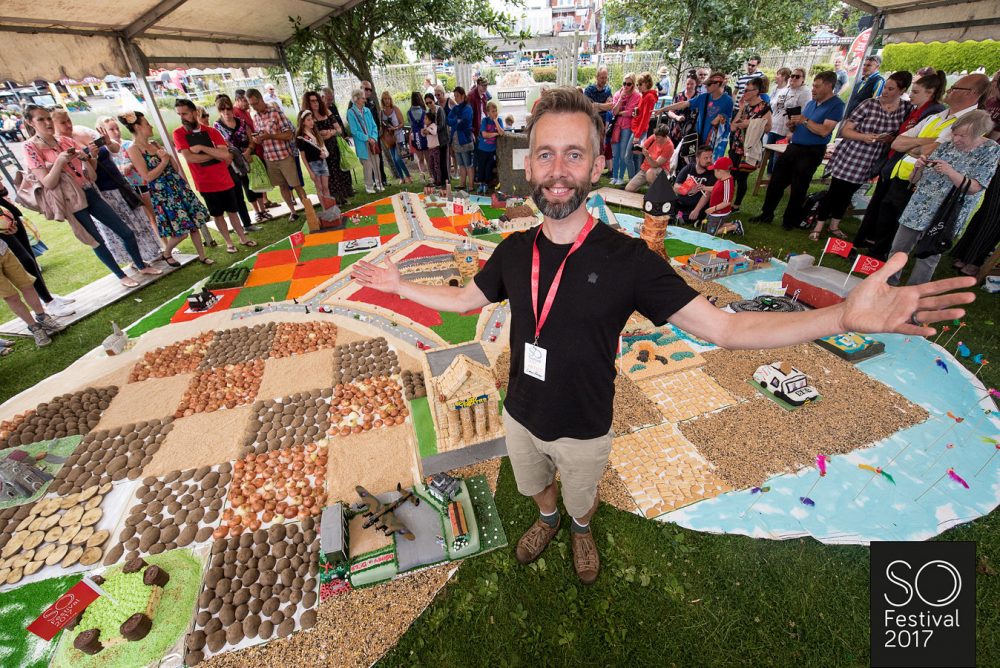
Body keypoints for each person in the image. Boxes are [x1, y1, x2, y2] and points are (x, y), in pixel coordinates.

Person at [350, 86, 977, 585]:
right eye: (545, 154)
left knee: (581, 494)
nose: (558, 170)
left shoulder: (630, 260)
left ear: (598, 164)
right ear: (529, 164)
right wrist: (400, 285)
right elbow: (466, 299)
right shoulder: (514, 250)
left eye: (574, 154)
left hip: (585, 422)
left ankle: (578, 527)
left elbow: (726, 327)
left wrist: (838, 318)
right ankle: (547, 517)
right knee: (534, 484)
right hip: (520, 411)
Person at [23, 105, 163, 288]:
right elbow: (48, 182)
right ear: (30, 122)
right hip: (71, 200)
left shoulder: (65, 140)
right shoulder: (30, 147)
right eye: (41, 119)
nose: (47, 122)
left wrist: (90, 158)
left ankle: (141, 265)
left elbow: (92, 175)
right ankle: (121, 276)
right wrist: (59, 162)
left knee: (126, 232)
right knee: (96, 240)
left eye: (48, 118)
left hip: (89, 190)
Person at [855, 73, 986, 259]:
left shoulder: (971, 122)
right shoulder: (937, 116)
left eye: (955, 88)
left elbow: (933, 150)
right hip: (902, 175)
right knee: (886, 220)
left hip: (925, 184)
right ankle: (875, 257)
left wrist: (917, 145)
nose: (948, 90)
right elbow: (897, 143)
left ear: (971, 93)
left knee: (904, 231)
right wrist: (925, 142)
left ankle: (889, 262)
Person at [887, 111, 999, 285]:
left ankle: (915, 292)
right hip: (919, 206)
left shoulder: (991, 150)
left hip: (947, 213)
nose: (956, 139)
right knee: (898, 248)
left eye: (962, 136)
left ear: (978, 134)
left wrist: (950, 172)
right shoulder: (946, 146)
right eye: (954, 133)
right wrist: (918, 167)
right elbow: (914, 180)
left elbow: (975, 188)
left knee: (928, 256)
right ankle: (888, 284)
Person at [808, 71, 914, 241]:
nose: (885, 91)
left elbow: (902, 134)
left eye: (891, 89)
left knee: (848, 194)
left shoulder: (905, 109)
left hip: (872, 159)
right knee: (835, 192)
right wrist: (864, 137)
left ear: (902, 91)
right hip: (851, 155)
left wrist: (889, 139)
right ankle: (818, 226)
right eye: (885, 87)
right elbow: (845, 130)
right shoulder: (869, 104)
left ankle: (834, 225)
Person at [53, 111, 164, 268]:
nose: (68, 125)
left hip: (118, 182)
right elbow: (85, 174)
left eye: (68, 120)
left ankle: (152, 252)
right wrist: (91, 157)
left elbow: (115, 148)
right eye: (63, 122)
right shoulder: (61, 145)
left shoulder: (83, 131)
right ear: (54, 125)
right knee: (122, 226)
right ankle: (136, 260)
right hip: (100, 190)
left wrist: (107, 142)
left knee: (138, 219)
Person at [751, 71, 845, 229]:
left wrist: (804, 120)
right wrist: (793, 125)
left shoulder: (836, 105)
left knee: (799, 186)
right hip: (794, 146)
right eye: (813, 86)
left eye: (817, 86)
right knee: (776, 181)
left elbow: (824, 131)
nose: (813, 89)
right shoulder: (811, 103)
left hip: (812, 151)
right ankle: (766, 213)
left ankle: (789, 221)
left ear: (829, 86)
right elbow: (803, 125)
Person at [120, 110, 215, 266]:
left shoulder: (154, 144)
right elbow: (147, 176)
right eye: (146, 124)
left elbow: (175, 168)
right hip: (163, 193)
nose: (151, 126)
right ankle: (167, 253)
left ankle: (202, 256)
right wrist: (163, 161)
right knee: (181, 232)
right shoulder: (133, 149)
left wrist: (168, 156)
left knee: (194, 224)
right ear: (137, 127)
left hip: (178, 186)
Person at [174, 99, 255, 254]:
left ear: (194, 112)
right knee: (218, 215)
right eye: (179, 114)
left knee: (233, 211)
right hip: (205, 183)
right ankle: (229, 243)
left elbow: (225, 154)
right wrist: (215, 154)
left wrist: (201, 148)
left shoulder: (212, 131)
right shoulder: (179, 133)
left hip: (224, 179)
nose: (182, 117)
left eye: (185, 113)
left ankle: (243, 238)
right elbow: (190, 158)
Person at [951, 71, 1000, 276]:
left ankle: (973, 258)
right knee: (987, 211)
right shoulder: (991, 103)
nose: (992, 84)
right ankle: (964, 254)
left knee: (994, 215)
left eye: (996, 81)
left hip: (992, 156)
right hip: (990, 160)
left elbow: (993, 137)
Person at [0, 184, 75, 318]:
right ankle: (49, 302)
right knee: (26, 261)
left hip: (8, 217)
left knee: (31, 258)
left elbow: (3, 191)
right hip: (3, 227)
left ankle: (46, 296)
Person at [247, 88, 308, 222]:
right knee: (282, 186)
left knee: (296, 184)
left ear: (261, 99)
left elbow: (289, 134)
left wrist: (270, 136)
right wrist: (257, 139)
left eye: (255, 103)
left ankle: (309, 211)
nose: (254, 107)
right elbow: (260, 137)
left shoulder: (275, 112)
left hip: (284, 155)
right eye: (251, 105)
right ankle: (293, 212)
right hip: (270, 158)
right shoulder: (255, 117)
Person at [97, 115, 158, 233]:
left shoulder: (129, 144)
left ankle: (163, 241)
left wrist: (131, 164)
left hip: (141, 183)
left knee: (152, 215)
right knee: (141, 218)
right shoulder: (104, 151)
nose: (116, 132)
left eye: (117, 128)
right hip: (126, 188)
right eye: (111, 129)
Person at [215, 94, 270, 224]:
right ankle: (257, 212)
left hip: (249, 155)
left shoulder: (242, 122)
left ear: (232, 108)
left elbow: (251, 140)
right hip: (235, 161)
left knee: (257, 182)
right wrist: (237, 156)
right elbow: (221, 145)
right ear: (219, 111)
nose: (226, 112)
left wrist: (249, 151)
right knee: (246, 186)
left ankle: (263, 210)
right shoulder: (217, 126)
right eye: (222, 109)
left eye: (228, 108)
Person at [660, 72, 734, 161]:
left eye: (709, 84)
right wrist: (664, 109)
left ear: (717, 84)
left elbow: (728, 123)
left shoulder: (728, 101)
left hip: (714, 142)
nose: (705, 87)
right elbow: (685, 104)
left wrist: (721, 118)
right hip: (699, 139)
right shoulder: (703, 97)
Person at [0, 237, 59, 347]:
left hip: (3, 250)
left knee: (27, 285)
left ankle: (42, 317)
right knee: (11, 297)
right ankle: (34, 327)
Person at [727, 78, 772, 211]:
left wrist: (750, 124)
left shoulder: (764, 107)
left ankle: (736, 205)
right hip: (736, 145)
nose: (744, 93)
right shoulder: (745, 106)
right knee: (732, 176)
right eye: (743, 90)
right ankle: (727, 203)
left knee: (742, 177)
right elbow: (733, 127)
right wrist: (741, 110)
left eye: (747, 90)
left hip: (748, 148)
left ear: (756, 91)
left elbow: (768, 128)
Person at [315, 88, 354, 206]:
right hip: (322, 150)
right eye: (328, 99)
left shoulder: (328, 111)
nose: (330, 102)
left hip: (334, 147)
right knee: (328, 175)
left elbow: (339, 128)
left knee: (338, 172)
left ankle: (342, 197)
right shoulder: (311, 115)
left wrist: (330, 132)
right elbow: (314, 133)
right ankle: (332, 200)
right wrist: (322, 134)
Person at [607, 73, 641, 185]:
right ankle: (615, 176)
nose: (626, 86)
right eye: (624, 83)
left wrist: (619, 113)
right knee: (615, 153)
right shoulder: (618, 94)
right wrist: (620, 99)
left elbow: (631, 112)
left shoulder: (636, 96)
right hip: (616, 126)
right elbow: (614, 111)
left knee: (623, 154)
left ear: (633, 84)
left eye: (629, 84)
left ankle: (621, 178)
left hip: (627, 127)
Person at [347, 88, 383, 193]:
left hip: (372, 141)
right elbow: (354, 130)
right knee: (367, 165)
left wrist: (373, 138)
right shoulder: (351, 113)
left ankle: (379, 184)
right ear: (356, 99)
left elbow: (374, 126)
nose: (365, 100)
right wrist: (367, 138)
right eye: (362, 98)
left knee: (376, 162)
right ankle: (369, 186)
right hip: (362, 143)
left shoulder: (367, 110)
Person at [624, 123, 674, 193]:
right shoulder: (654, 137)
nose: (656, 138)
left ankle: (657, 193)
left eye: (658, 137)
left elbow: (656, 165)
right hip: (645, 168)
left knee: (650, 173)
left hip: (661, 170)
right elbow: (642, 148)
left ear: (665, 136)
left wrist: (647, 156)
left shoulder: (669, 146)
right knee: (629, 189)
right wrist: (637, 149)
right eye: (655, 136)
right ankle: (649, 185)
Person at [673, 146, 717, 223]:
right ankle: (678, 216)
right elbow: (676, 187)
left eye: (710, 157)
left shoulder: (712, 172)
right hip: (681, 202)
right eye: (706, 158)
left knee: (698, 213)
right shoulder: (689, 168)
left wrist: (696, 210)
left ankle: (679, 217)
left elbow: (707, 194)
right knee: (667, 203)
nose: (709, 160)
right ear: (697, 159)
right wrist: (689, 190)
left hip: (696, 205)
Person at [296, 110, 332, 202]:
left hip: (323, 163)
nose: (311, 122)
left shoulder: (315, 132)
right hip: (313, 165)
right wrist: (310, 172)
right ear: (302, 122)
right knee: (319, 188)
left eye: (312, 119)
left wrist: (325, 154)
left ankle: (330, 208)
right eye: (308, 120)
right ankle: (325, 208)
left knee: (326, 187)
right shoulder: (301, 137)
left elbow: (323, 147)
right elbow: (303, 157)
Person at [630, 72, 660, 175]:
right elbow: (641, 114)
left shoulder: (649, 97)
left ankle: (636, 178)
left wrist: (637, 135)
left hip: (640, 131)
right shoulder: (644, 95)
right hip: (637, 129)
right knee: (635, 155)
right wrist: (636, 112)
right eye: (637, 84)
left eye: (640, 84)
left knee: (633, 155)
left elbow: (645, 118)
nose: (638, 86)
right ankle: (635, 177)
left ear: (647, 84)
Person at [583, 67, 614, 164]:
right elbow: (588, 107)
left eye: (605, 78)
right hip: (591, 122)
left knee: (600, 147)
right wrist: (603, 106)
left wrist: (596, 105)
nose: (604, 80)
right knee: (590, 145)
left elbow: (610, 106)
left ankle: (597, 166)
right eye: (602, 78)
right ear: (597, 77)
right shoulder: (589, 90)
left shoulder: (608, 90)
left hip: (603, 123)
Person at [380, 91, 412, 185]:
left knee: (398, 158)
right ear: (382, 100)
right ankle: (402, 178)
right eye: (385, 99)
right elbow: (381, 126)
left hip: (398, 137)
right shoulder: (381, 112)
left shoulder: (395, 109)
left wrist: (395, 128)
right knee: (394, 160)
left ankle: (408, 176)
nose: (387, 101)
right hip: (389, 139)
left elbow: (402, 123)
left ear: (390, 99)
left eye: (388, 99)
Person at [448, 86, 475, 192]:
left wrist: (455, 122)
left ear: (463, 96)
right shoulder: (455, 108)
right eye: (454, 96)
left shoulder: (468, 108)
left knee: (468, 164)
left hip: (465, 140)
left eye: (457, 96)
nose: (456, 98)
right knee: (461, 164)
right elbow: (448, 120)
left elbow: (464, 123)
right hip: (456, 141)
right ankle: (462, 183)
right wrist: (456, 121)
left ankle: (471, 185)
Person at [362, 81, 390, 184]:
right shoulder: (355, 103)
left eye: (370, 90)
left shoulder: (371, 102)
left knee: (378, 156)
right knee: (368, 159)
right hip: (364, 136)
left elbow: (376, 118)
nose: (368, 92)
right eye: (366, 89)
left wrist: (377, 131)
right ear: (361, 88)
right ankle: (374, 180)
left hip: (374, 134)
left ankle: (382, 179)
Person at [475, 101, 505, 193]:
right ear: (488, 112)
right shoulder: (485, 121)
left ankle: (486, 184)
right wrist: (495, 133)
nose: (495, 113)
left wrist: (495, 121)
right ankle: (481, 184)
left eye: (495, 111)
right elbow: (484, 134)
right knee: (481, 167)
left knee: (489, 168)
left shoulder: (499, 120)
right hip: (482, 149)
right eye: (492, 111)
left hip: (492, 150)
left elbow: (502, 133)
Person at [664, 74, 698, 150]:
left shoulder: (699, 97)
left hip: (692, 131)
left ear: (696, 84)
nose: (689, 86)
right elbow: (670, 112)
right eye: (687, 84)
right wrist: (676, 117)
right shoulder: (679, 96)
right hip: (677, 130)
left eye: (692, 84)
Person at [425, 92, 448, 187]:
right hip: (434, 142)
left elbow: (442, 125)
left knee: (442, 163)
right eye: (427, 103)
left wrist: (430, 131)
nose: (429, 104)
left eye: (430, 102)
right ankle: (438, 181)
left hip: (442, 141)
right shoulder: (429, 112)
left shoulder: (439, 109)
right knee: (435, 164)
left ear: (434, 100)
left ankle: (445, 182)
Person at [435, 84, 457, 180]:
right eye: (435, 95)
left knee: (453, 151)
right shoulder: (436, 104)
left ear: (443, 93)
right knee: (447, 152)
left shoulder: (449, 100)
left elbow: (458, 109)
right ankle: (448, 172)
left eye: (438, 95)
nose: (437, 97)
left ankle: (456, 171)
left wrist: (454, 120)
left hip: (451, 128)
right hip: (442, 131)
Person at [407, 92, 430, 181]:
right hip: (424, 134)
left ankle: (422, 175)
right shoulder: (424, 111)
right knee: (427, 158)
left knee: (420, 158)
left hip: (415, 136)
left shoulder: (409, 112)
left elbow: (410, 123)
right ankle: (431, 175)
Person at [422, 99, 442, 186]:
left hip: (436, 148)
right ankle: (434, 179)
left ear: (430, 120)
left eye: (426, 119)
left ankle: (439, 180)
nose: (424, 120)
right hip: (430, 149)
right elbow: (423, 134)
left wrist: (428, 130)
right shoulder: (425, 126)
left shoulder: (433, 125)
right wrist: (423, 131)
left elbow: (434, 132)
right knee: (431, 165)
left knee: (437, 165)